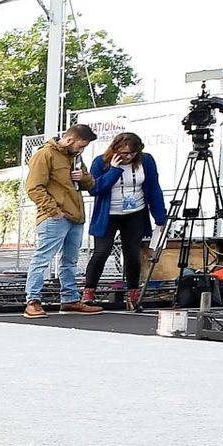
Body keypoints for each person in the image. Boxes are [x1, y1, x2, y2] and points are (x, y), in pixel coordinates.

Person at [82, 132, 167, 312]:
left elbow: (153, 187)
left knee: (132, 254)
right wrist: (114, 170)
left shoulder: (146, 161)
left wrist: (160, 216)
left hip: (135, 212)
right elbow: (95, 189)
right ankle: (88, 293)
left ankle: (133, 295)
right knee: (101, 252)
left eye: (132, 153)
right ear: (115, 150)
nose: (128, 157)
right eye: (124, 153)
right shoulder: (101, 162)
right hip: (109, 213)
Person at [22, 123, 100, 319]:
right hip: (56, 216)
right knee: (43, 259)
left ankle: (70, 300)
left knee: (70, 261)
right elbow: (34, 187)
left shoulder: (75, 158)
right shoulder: (45, 154)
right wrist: (53, 210)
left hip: (74, 215)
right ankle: (32, 301)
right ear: (70, 139)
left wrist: (84, 176)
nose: (82, 149)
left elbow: (90, 184)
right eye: (81, 145)